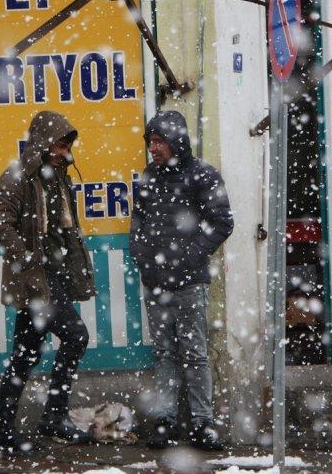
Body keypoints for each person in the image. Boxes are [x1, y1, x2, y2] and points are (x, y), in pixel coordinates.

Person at [0, 111, 96, 454]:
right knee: (76, 336)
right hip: (38, 279)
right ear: (43, 143)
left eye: (67, 146)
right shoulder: (19, 176)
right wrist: (29, 257)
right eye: (60, 145)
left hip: (57, 277)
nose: (65, 152)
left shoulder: (60, 177)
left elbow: (67, 229)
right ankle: (53, 417)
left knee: (25, 354)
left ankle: (0, 430)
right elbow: (0, 224)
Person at [129, 110, 234, 451]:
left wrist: (189, 256)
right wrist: (144, 261)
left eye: (158, 141)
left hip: (189, 282)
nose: (153, 149)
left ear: (176, 141)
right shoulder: (149, 177)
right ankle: (165, 420)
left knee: (195, 353)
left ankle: (203, 423)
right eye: (150, 142)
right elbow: (138, 225)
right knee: (164, 353)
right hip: (156, 282)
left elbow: (222, 222)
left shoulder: (202, 175)